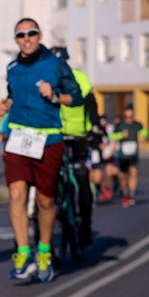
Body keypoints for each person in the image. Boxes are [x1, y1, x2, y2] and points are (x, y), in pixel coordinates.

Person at [0, 19, 81, 285]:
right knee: (16, 194)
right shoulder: (12, 67)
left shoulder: (55, 65)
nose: (27, 38)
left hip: (49, 139)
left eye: (31, 33)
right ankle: (23, 253)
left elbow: (75, 96)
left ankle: (43, 251)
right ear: (16, 40)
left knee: (45, 201)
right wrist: (5, 106)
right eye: (21, 35)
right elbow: (13, 94)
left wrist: (54, 96)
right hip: (18, 137)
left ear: (40, 35)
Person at [50, 45, 102, 250]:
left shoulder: (79, 77)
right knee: (52, 178)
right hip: (57, 134)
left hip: (80, 134)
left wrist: (96, 128)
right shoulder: (48, 81)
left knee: (81, 177)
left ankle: (86, 225)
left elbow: (91, 104)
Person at [111, 106, 148, 206]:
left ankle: (131, 195)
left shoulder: (137, 124)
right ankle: (125, 194)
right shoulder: (120, 125)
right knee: (123, 176)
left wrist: (143, 135)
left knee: (134, 173)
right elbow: (111, 136)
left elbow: (145, 133)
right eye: (127, 117)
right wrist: (121, 135)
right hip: (123, 155)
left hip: (133, 155)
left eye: (131, 117)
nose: (129, 119)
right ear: (124, 117)